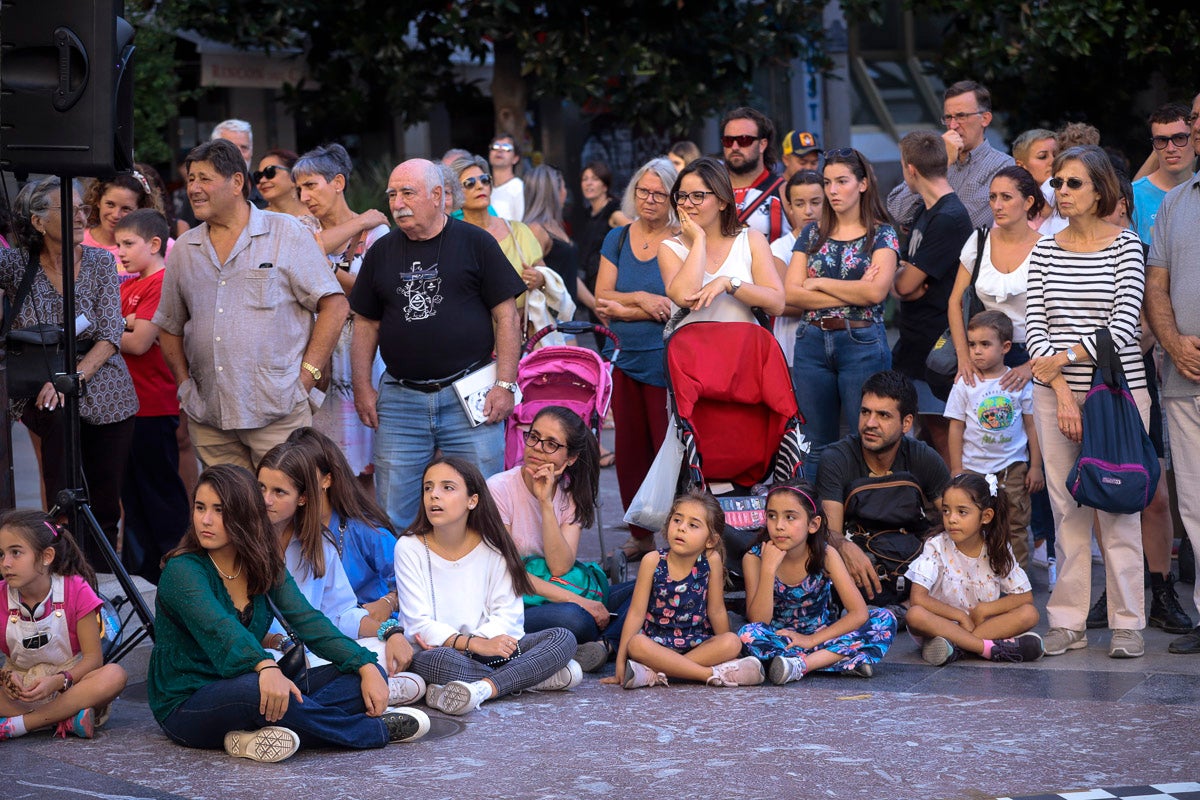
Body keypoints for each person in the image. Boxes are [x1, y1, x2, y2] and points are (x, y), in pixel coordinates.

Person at [148, 465, 428, 762]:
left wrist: (365, 665)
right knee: (257, 691)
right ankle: (370, 731)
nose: (205, 520)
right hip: (187, 703)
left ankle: (256, 735)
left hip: (252, 682)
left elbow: (308, 621)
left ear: (245, 514)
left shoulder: (263, 563)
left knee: (355, 681)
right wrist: (267, 667)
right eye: (200, 507)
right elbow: (221, 631)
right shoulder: (183, 571)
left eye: (219, 510)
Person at [152, 138, 350, 471]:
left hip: (280, 413)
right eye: (190, 179)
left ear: (237, 182)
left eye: (204, 178)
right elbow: (169, 325)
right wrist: (186, 387)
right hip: (211, 419)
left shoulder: (285, 232)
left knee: (285, 514)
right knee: (232, 516)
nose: (194, 189)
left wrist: (308, 376)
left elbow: (334, 305)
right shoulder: (185, 248)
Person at [349, 158, 524, 529]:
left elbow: (507, 316)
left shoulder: (477, 243)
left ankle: (480, 585)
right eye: (393, 194)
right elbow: (365, 323)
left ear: (439, 196)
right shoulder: (381, 252)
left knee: (481, 505)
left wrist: (505, 383)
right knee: (394, 512)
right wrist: (362, 386)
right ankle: (400, 586)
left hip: (470, 394)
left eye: (408, 193)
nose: (397, 203)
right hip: (400, 401)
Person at [1026, 146, 1149, 659]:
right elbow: (1034, 330)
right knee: (1065, 510)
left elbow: (1122, 328)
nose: (1062, 192)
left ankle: (1128, 623)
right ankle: (1068, 620)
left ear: (1101, 190)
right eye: (1057, 183)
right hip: (1055, 395)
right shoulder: (1044, 250)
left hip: (1118, 393)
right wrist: (1060, 389)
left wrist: (1066, 359)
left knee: (1118, 506)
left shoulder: (1127, 247)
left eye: (1074, 183)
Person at [0, 177, 138, 569]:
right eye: (70, 209)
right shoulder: (14, 262)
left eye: (81, 207)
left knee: (106, 504)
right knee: (65, 495)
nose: (82, 215)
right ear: (39, 222)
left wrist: (71, 380)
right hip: (40, 380)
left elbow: (111, 331)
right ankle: (68, 575)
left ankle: (103, 581)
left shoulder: (98, 261)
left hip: (103, 382)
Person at [395, 457, 581, 716]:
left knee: (562, 638)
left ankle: (482, 688)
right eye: (428, 488)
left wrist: (486, 644)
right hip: (445, 652)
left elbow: (509, 617)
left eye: (447, 488)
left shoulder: (494, 546)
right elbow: (418, 625)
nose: (434, 495)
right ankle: (532, 678)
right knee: (437, 662)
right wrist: (471, 644)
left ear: (472, 500)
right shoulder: (409, 547)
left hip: (494, 649)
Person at [256, 443, 425, 707]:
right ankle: (362, 696)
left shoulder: (320, 544)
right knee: (268, 677)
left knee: (383, 651)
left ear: (302, 498)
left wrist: (390, 632)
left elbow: (342, 614)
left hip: (316, 652)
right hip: (264, 656)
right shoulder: (242, 542)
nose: (266, 500)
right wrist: (285, 645)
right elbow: (237, 625)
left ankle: (351, 693)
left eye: (279, 492)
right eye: (261, 488)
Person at [785, 147, 899, 479]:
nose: (832, 190)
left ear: (862, 184)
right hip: (811, 340)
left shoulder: (882, 233)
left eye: (842, 181)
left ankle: (862, 522)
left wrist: (817, 283)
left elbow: (875, 293)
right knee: (812, 443)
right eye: (827, 182)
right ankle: (814, 521)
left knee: (867, 437)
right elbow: (791, 293)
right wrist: (851, 292)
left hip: (862, 340)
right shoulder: (810, 233)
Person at [592, 158, 678, 559]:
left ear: (672, 197)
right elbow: (600, 299)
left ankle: (678, 530)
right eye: (643, 191)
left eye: (659, 193)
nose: (650, 199)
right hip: (623, 357)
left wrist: (620, 307)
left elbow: (678, 303)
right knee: (629, 451)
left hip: (667, 358)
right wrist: (642, 301)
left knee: (668, 448)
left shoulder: (682, 241)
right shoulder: (619, 239)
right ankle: (640, 535)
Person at [292, 144, 391, 481]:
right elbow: (307, 250)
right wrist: (362, 219)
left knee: (367, 464)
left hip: (363, 351)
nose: (304, 196)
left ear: (337, 182)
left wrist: (328, 273)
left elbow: (376, 296)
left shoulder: (378, 235)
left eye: (311, 185)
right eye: (299, 188)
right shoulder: (300, 228)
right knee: (321, 464)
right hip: (317, 355)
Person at [816, 370, 952, 613]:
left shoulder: (923, 457)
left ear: (906, 423)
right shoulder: (836, 458)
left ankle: (905, 612)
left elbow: (957, 519)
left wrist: (932, 551)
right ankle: (905, 613)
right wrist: (845, 548)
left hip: (915, 568)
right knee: (827, 556)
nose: (870, 423)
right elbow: (830, 532)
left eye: (883, 415)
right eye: (865, 412)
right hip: (859, 570)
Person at [738, 480, 896, 684]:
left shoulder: (826, 555)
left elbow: (858, 613)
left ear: (813, 524)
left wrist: (810, 640)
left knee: (884, 618)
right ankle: (840, 660)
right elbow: (758, 621)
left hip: (822, 636)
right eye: (771, 516)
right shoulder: (754, 558)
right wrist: (768, 569)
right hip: (780, 640)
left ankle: (801, 666)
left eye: (790, 517)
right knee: (747, 634)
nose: (779, 526)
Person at [486, 406, 609, 664]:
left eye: (551, 444)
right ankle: (603, 645)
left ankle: (605, 647)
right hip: (514, 601)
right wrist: (581, 602)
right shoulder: (498, 489)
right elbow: (510, 573)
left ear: (571, 458)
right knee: (575, 619)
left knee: (643, 588)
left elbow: (560, 565)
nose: (538, 448)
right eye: (534, 437)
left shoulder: (570, 493)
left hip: (556, 588)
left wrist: (546, 503)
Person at [605, 491, 764, 689]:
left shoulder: (710, 560)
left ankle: (658, 674)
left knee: (732, 641)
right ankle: (709, 674)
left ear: (710, 540)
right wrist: (620, 662)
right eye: (677, 520)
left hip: (697, 644)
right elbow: (636, 613)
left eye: (693, 525)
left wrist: (728, 652)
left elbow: (716, 610)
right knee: (636, 644)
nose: (681, 528)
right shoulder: (652, 561)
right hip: (657, 645)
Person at [1141, 144, 1200, 655]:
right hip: (1183, 375)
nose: (1196, 130)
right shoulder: (1177, 202)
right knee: (1195, 506)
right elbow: (1154, 284)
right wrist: (1174, 342)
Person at [0, 510, 127, 740]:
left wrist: (58, 681)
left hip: (70, 686)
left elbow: (93, 660)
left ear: (46, 556)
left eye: (16, 553)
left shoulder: (75, 590)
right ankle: (66, 718)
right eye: (1, 554)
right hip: (22, 693)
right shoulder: (1, 596)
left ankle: (23, 723)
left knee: (114, 675)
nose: (5, 563)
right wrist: (7, 679)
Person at [115, 210, 189, 584]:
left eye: (129, 244)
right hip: (127, 407)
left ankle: (177, 567)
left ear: (155, 244)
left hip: (154, 407)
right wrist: (122, 323)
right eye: (118, 244)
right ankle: (143, 570)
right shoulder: (128, 285)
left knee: (160, 491)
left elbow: (140, 342)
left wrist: (116, 326)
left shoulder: (160, 283)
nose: (121, 252)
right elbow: (121, 328)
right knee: (133, 496)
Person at [891, 131, 974, 463]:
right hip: (915, 342)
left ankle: (961, 499)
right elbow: (909, 283)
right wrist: (906, 276)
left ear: (910, 169)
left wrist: (903, 275)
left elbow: (905, 285)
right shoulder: (928, 210)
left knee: (944, 433)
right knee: (926, 430)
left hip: (937, 346)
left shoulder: (948, 217)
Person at [905, 473, 1043, 664]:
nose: (951, 519)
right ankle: (989, 649)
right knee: (915, 615)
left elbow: (1024, 597)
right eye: (946, 511)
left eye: (962, 512)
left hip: (980, 625)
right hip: (941, 625)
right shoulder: (936, 546)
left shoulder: (996, 548)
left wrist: (985, 609)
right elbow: (917, 598)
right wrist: (960, 616)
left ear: (985, 516)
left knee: (1029, 613)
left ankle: (955, 648)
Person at [943, 311, 1043, 568]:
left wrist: (1035, 466)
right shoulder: (965, 383)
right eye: (972, 344)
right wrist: (956, 469)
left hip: (1013, 467)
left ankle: (1016, 581)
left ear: (1005, 347)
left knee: (1016, 525)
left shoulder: (1018, 383)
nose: (976, 351)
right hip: (973, 468)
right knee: (972, 525)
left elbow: (1033, 427)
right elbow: (956, 427)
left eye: (985, 344)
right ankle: (975, 578)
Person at [946, 166, 1046, 390]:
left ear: (1028, 202)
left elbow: (1059, 318)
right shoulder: (979, 239)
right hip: (985, 354)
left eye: (1006, 197)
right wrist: (964, 356)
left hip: (1034, 354)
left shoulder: (1047, 247)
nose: (997, 205)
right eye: (992, 197)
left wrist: (1032, 367)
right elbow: (954, 301)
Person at [659, 156, 785, 327]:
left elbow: (777, 304)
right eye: (682, 196)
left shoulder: (751, 239)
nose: (687, 204)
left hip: (743, 349)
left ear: (722, 201)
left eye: (698, 196)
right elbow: (684, 296)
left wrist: (729, 283)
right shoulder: (671, 247)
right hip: (693, 350)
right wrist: (699, 240)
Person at [284, 427, 399, 607]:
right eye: (291, 474)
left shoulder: (363, 529)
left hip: (370, 628)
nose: (298, 482)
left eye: (305, 473)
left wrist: (388, 602)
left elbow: (413, 580)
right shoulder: (284, 528)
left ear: (327, 480)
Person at [887, 80, 1014, 231]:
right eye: (948, 117)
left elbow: (965, 225)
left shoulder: (1004, 167)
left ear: (985, 119)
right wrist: (938, 162)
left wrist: (918, 224)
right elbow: (899, 212)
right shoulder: (936, 158)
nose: (953, 125)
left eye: (961, 116)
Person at [452, 154, 546, 309]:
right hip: (476, 330)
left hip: (522, 327)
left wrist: (540, 278)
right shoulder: (453, 238)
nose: (480, 186)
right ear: (456, 193)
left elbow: (544, 273)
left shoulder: (519, 230)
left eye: (484, 180)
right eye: (469, 183)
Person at [770, 170, 824, 367]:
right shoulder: (778, 248)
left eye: (816, 202)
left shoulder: (841, 241)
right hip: (793, 348)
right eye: (800, 204)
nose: (808, 211)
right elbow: (783, 302)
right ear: (789, 207)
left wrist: (807, 291)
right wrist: (847, 297)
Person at [720, 107, 789, 242]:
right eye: (728, 141)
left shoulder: (784, 191)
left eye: (744, 140)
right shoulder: (710, 190)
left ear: (762, 144)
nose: (734, 147)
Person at [1132, 103, 1196, 248]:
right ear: (1154, 145)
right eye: (1162, 140)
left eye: (1179, 138)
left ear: (1194, 139)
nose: (1171, 148)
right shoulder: (1134, 196)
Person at [82, 171, 169, 272]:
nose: (115, 215)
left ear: (141, 209)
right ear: (97, 201)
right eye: (110, 204)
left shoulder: (159, 246)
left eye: (126, 209)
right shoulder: (77, 243)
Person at [524, 164, 585, 307]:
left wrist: (595, 305)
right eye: (563, 187)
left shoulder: (555, 225)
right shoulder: (535, 229)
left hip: (566, 313)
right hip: (550, 318)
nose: (565, 192)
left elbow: (568, 274)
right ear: (554, 192)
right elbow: (533, 278)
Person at [253, 149, 320, 231]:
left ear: (294, 176)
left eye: (270, 172)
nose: (262, 180)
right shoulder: (255, 220)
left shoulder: (319, 214)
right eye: (258, 176)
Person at [211, 119, 266, 209]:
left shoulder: (266, 189)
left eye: (244, 147)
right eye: (231, 148)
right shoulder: (200, 191)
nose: (239, 154)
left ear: (251, 151)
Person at [488, 133, 525, 221]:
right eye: (495, 147)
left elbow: (523, 226)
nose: (499, 150)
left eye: (506, 147)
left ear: (515, 158)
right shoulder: (483, 187)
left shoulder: (519, 188)